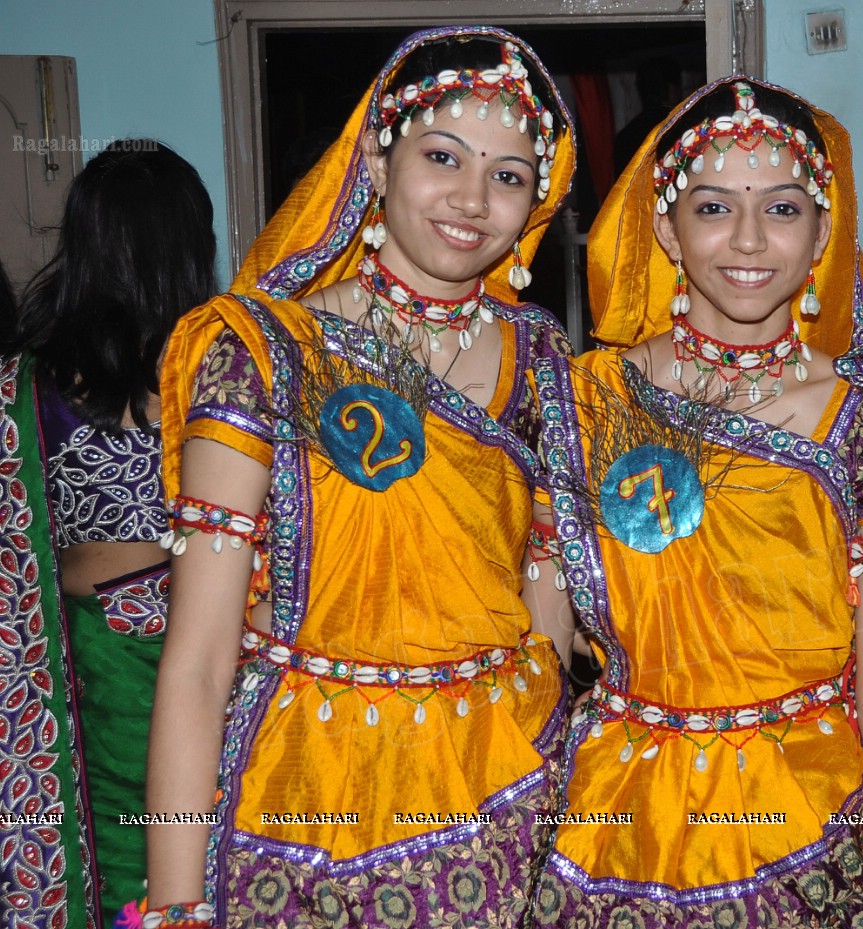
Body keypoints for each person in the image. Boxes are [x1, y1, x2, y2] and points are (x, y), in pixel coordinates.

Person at [141, 27, 577, 929]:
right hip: (303, 794)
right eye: (442, 155)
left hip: (497, 796)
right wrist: (176, 905)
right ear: (377, 161)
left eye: (508, 174)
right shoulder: (266, 352)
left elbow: (545, 590)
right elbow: (197, 660)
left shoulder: (539, 359)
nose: (472, 197)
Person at [531, 77, 863, 927]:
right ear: (666, 229)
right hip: (617, 820)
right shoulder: (581, 399)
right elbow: (540, 648)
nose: (748, 240)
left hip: (812, 820)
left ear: (822, 231)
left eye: (783, 210)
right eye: (713, 208)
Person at [0, 139, 216, 929]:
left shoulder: (37, 379)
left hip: (88, 650)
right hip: (208, 636)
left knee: (109, 844)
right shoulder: (224, 370)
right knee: (194, 833)